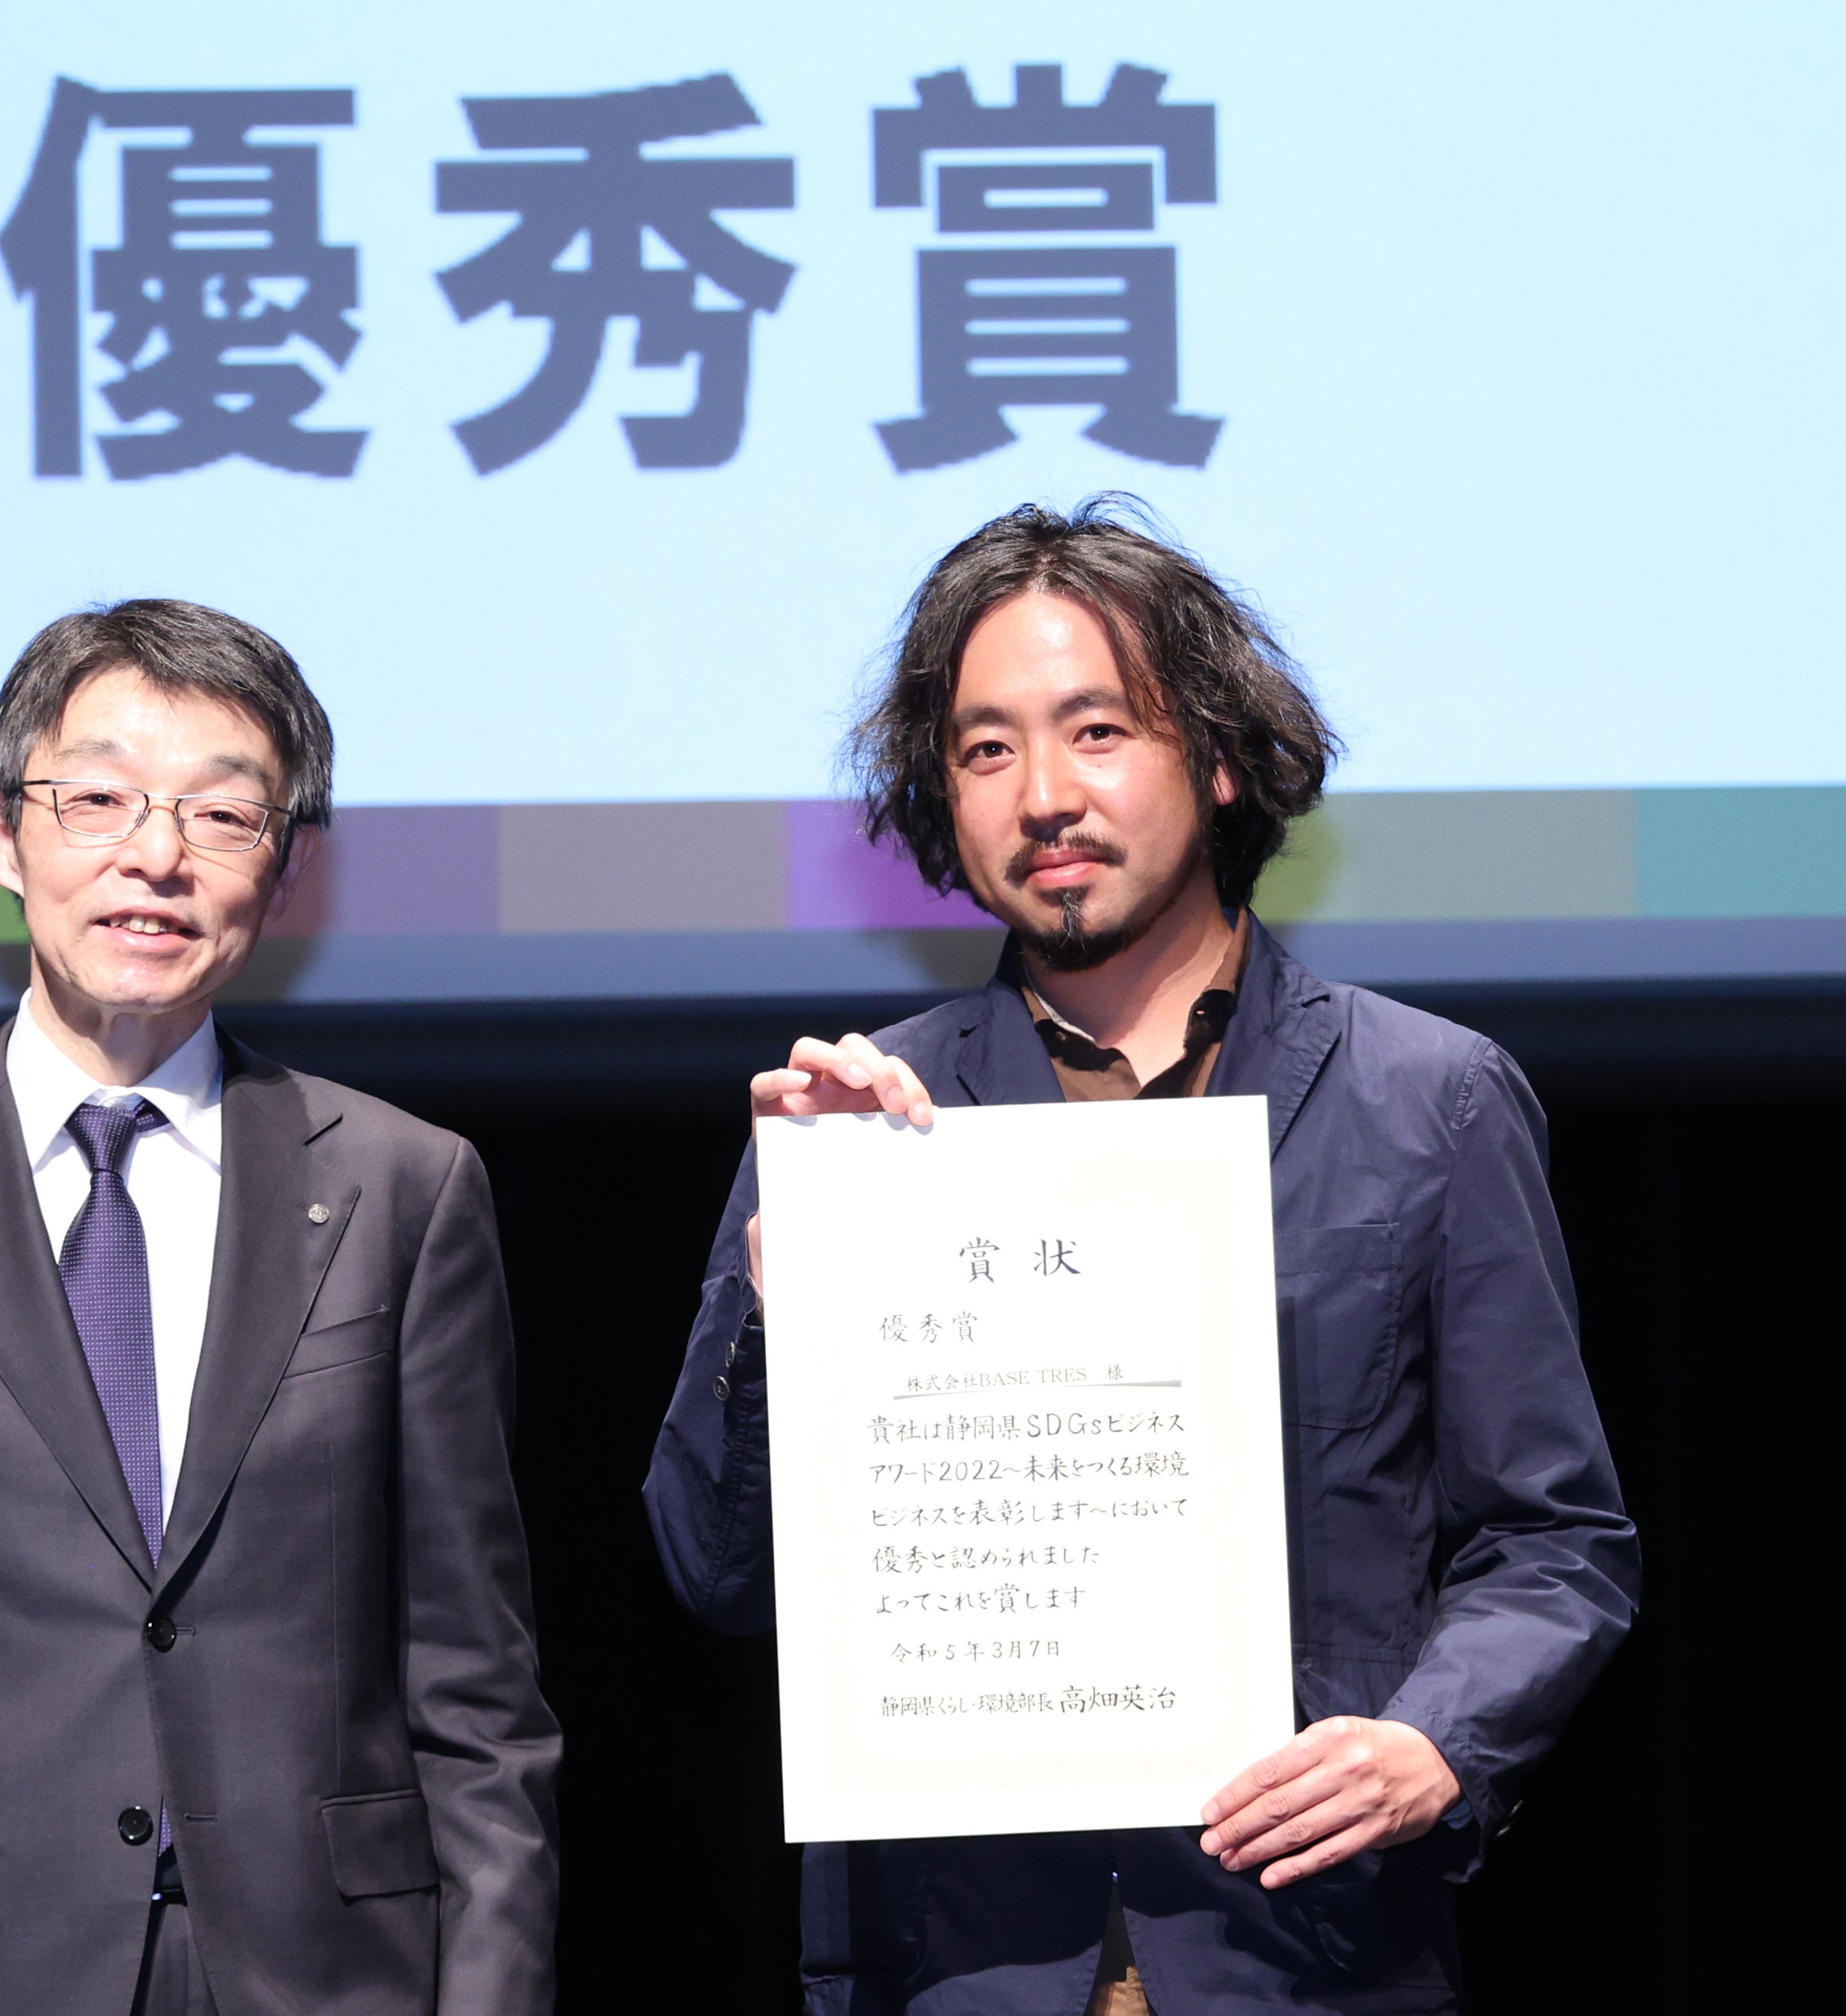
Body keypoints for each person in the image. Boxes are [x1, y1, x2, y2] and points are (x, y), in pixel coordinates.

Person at [644, 501, 1639, 2014]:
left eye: (1097, 729)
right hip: (955, 1966)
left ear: (1220, 757)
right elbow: (714, 1574)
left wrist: (1436, 1740)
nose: (1043, 792)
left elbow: (1559, 1541)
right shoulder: (858, 1120)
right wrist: (784, 1305)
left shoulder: (1425, 1101)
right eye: (985, 750)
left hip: (1310, 1957)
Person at [0, 600, 558, 2016]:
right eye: (96, 799)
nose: (154, 855)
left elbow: (479, 1698)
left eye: (222, 814)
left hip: (328, 1976)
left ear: (284, 869)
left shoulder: (406, 1189)